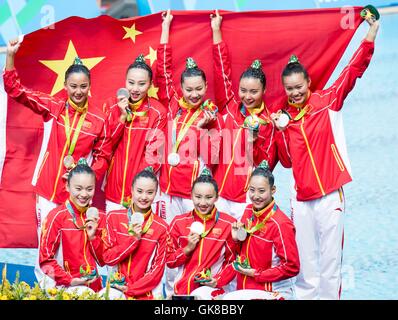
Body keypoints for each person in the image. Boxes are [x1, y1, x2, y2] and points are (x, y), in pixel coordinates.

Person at [271, 13, 380, 299]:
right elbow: (285, 161)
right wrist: (280, 130)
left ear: (309, 82)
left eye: (299, 86)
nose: (295, 93)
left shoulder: (328, 101)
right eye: (289, 89)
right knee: (307, 268)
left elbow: (352, 70)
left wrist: (370, 35)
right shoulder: (284, 119)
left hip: (331, 195)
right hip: (301, 200)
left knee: (331, 264)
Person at [3, 38, 111, 284]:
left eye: (83, 86)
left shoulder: (98, 119)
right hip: (48, 189)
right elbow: (15, 90)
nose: (78, 91)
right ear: (65, 85)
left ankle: (75, 287)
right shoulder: (54, 106)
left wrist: (85, 177)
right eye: (73, 86)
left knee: (73, 244)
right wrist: (10, 56)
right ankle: (45, 289)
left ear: (89, 86)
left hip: (77, 194)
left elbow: (103, 155)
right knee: (46, 244)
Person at [210, 10, 290, 220]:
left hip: (245, 197)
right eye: (243, 90)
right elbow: (222, 71)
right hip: (218, 193)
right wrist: (216, 30)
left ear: (264, 91)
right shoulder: (228, 107)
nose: (247, 96)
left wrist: (253, 143)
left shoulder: (269, 121)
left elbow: (267, 165)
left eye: (253, 92)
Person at [156, 10, 224, 223]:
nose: (194, 94)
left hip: (194, 194)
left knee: (193, 240)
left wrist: (204, 129)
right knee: (167, 237)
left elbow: (213, 157)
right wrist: (165, 28)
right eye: (189, 89)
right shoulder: (172, 103)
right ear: (181, 88)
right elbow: (163, 71)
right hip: (166, 189)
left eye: (199, 89)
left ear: (205, 87)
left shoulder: (210, 114)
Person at [103, 55, 167, 214]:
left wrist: (139, 190)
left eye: (142, 84)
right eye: (131, 83)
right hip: (114, 189)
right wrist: (122, 116)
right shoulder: (112, 106)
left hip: (142, 193)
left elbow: (153, 156)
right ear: (125, 81)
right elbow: (106, 145)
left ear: (150, 84)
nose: (135, 89)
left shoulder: (158, 112)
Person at [91, 167, 169, 299]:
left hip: (145, 293)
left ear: (156, 193)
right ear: (132, 190)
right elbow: (108, 258)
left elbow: (157, 271)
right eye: (139, 191)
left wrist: (130, 289)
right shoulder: (114, 217)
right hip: (117, 289)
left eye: (150, 192)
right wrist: (133, 240)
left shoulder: (162, 227)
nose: (144, 197)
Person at [227, 160, 300, 300]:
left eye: (261, 191)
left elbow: (292, 266)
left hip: (272, 292)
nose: (255, 196)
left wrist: (257, 274)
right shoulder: (248, 211)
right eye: (252, 190)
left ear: (273, 190)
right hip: (246, 288)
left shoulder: (281, 224)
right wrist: (236, 239)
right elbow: (241, 249)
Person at [166, 169, 237, 298]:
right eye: (198, 197)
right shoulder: (179, 222)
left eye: (209, 197)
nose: (203, 203)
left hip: (213, 291)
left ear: (217, 197)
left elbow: (233, 261)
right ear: (191, 196)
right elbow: (169, 261)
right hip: (182, 290)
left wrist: (218, 280)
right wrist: (187, 249)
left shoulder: (228, 224)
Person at [39, 158, 106, 292]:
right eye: (78, 188)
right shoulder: (56, 217)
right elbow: (45, 260)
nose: (84, 194)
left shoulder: (99, 217)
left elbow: (102, 261)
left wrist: (93, 238)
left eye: (89, 189)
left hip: (94, 288)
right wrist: (69, 280)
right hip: (63, 287)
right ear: (68, 186)